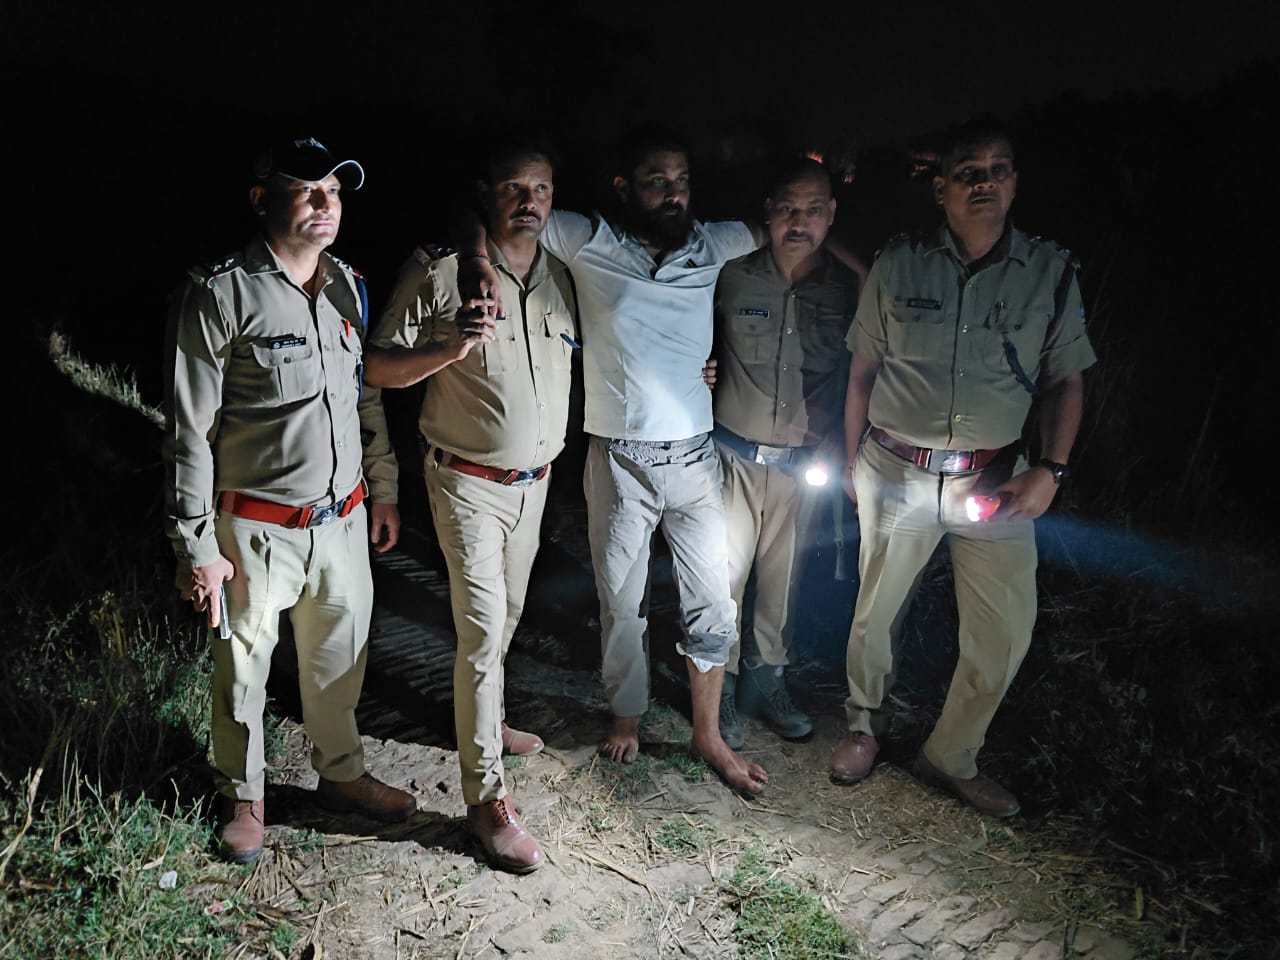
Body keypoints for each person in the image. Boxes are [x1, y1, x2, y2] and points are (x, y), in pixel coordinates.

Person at [458, 126, 769, 796]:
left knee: (712, 599)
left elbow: (793, 226)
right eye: (658, 181)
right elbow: (498, 212)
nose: (674, 193)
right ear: (624, 187)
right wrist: (476, 262)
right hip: (620, 459)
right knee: (622, 603)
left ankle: (708, 732)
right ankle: (627, 715)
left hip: (696, 459)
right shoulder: (587, 239)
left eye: (682, 180)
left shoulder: (712, 243)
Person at [829, 121, 1096, 817]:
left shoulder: (1051, 271)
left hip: (997, 480)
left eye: (999, 169)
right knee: (877, 612)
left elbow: (1067, 380)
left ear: (1015, 182)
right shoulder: (899, 263)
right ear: (941, 187)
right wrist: (852, 462)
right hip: (896, 469)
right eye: (969, 171)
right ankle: (864, 726)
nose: (985, 182)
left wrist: (1053, 470)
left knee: (1004, 629)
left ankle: (951, 755)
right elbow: (862, 372)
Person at [163, 137, 416, 865]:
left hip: (342, 521)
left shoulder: (348, 286)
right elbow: (189, 430)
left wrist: (383, 489)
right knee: (243, 671)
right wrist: (197, 545)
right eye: (305, 189)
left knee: (341, 659)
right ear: (261, 199)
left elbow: (364, 399)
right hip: (256, 527)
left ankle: (341, 774)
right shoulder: (220, 293)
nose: (323, 203)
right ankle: (244, 795)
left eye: (333, 190)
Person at [363, 141, 576, 874]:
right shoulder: (439, 272)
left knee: (506, 617)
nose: (529, 201)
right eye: (513, 187)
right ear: (486, 194)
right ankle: (487, 801)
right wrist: (446, 352)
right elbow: (373, 369)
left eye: (540, 189)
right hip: (465, 482)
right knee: (482, 632)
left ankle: (487, 722)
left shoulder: (562, 275)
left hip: (535, 484)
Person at [711, 157, 859, 749]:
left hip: (803, 464)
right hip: (732, 457)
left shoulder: (846, 287)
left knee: (784, 584)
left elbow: (861, 364)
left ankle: (767, 681)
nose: (799, 223)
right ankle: (718, 687)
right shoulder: (730, 273)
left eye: (814, 210)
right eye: (788, 209)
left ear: (832, 214)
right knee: (721, 578)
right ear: (767, 212)